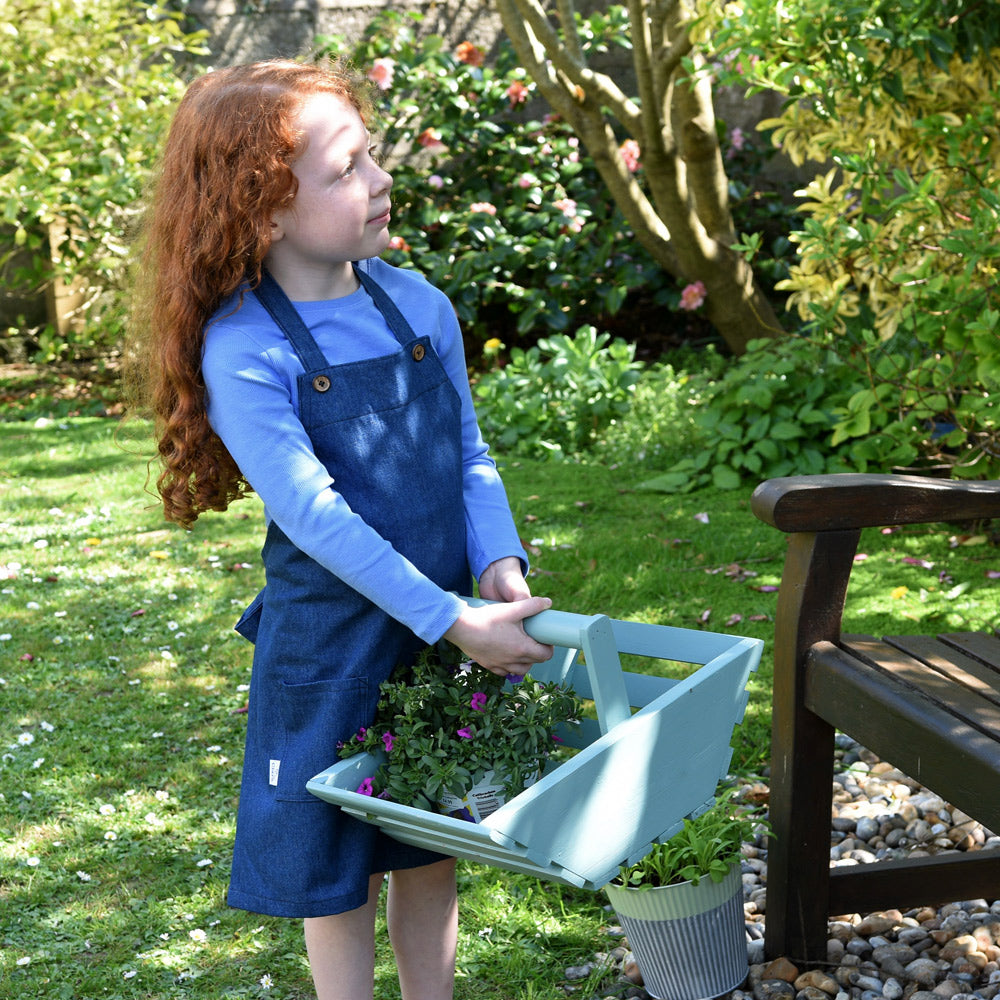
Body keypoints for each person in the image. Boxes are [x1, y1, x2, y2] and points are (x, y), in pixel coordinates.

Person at [126, 59, 554, 1000]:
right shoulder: (247, 347)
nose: (380, 179)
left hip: (446, 633)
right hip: (336, 646)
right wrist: (450, 618)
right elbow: (318, 519)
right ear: (263, 208)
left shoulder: (420, 307)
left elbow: (467, 455)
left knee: (429, 847)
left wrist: (498, 562)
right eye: (349, 167)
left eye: (374, 157)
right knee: (339, 868)